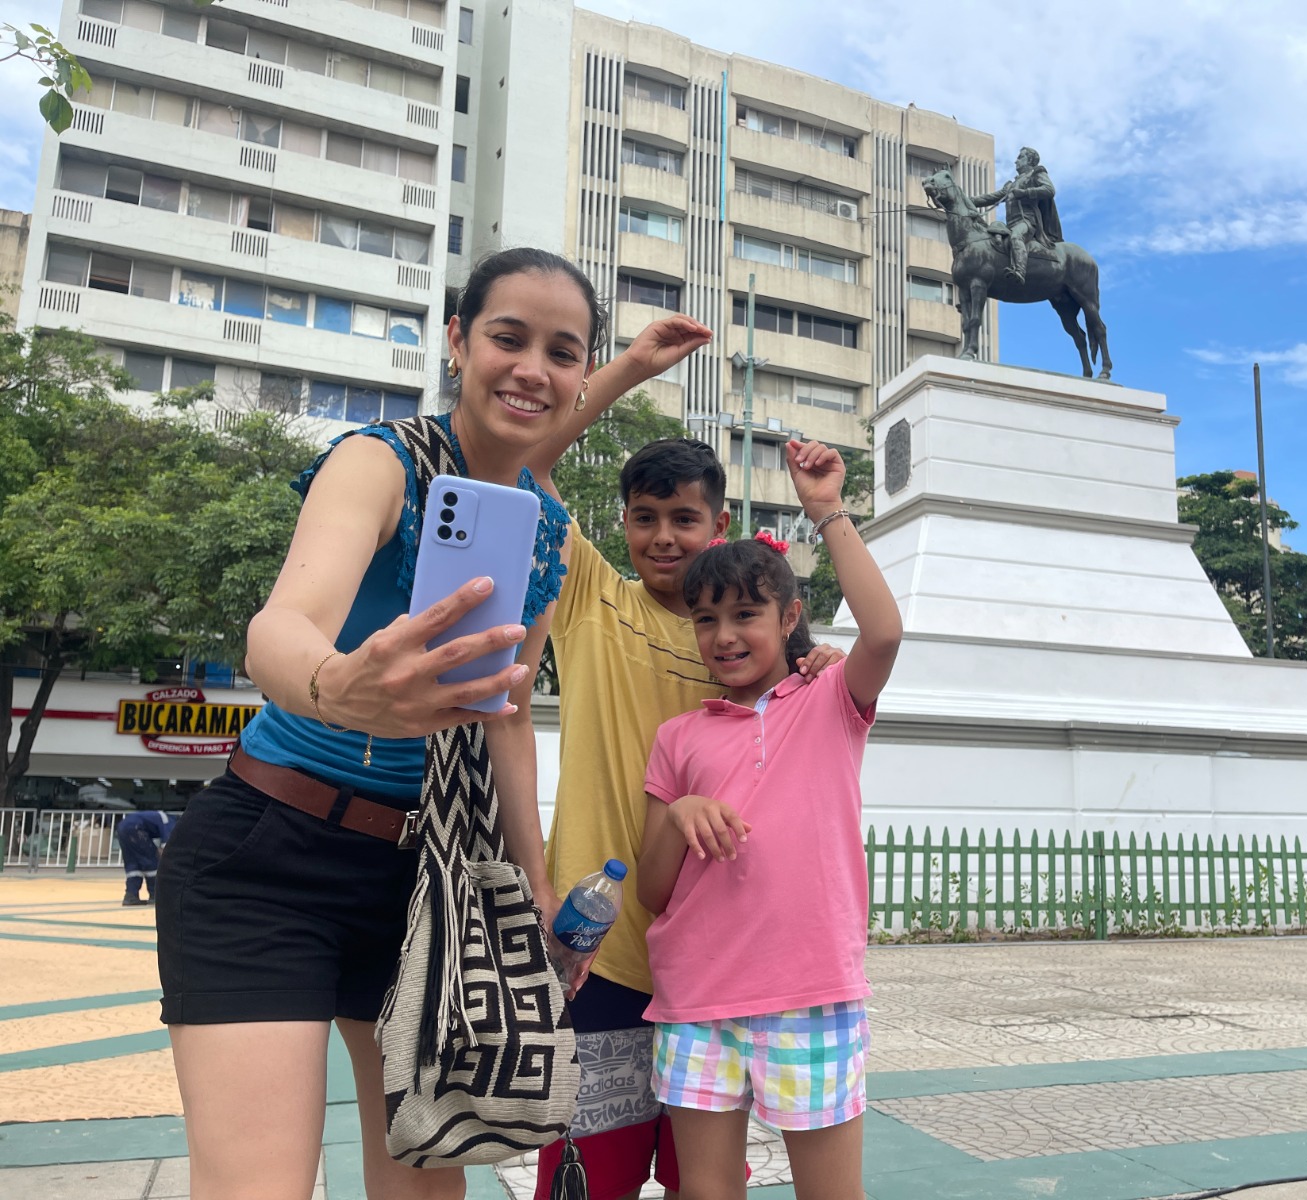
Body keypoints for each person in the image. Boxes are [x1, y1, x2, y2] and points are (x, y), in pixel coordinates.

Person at [152, 247, 698, 1200]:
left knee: (422, 1187)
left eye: (563, 352)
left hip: (429, 881)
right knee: (260, 1186)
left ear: (577, 374)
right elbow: (276, 627)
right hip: (267, 859)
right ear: (457, 340)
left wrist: (529, 896)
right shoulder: (381, 462)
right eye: (507, 337)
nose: (533, 367)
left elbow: (510, 718)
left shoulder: (545, 530)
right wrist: (335, 685)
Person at [525, 435, 840, 1199]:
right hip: (597, 953)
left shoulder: (745, 641)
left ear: (721, 523)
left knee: (703, 1181)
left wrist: (821, 661)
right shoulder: (592, 600)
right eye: (645, 517)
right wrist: (633, 366)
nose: (663, 536)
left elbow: (826, 702)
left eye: (685, 518)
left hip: (710, 968)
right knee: (585, 1176)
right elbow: (528, 463)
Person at [635, 440, 902, 1200]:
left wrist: (826, 511)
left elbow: (883, 633)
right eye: (706, 619)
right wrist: (679, 813)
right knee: (707, 1192)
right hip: (695, 1000)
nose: (723, 637)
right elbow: (653, 890)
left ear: (789, 616)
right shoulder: (678, 737)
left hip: (810, 991)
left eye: (746, 615)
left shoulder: (830, 702)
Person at [973, 146, 1063, 285]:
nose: (1016, 161)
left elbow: (1049, 190)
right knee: (992, 231)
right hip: (1010, 225)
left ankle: (1019, 271)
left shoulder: (1036, 174)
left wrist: (1025, 193)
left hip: (1027, 222)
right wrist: (967, 201)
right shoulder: (1011, 185)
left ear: (1030, 160)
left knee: (1016, 236)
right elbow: (990, 198)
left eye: (1020, 157)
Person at [115, 809, 177, 905]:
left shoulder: (156, 816)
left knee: (133, 863)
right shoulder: (169, 821)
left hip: (122, 827)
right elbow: (167, 846)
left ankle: (131, 895)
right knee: (151, 862)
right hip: (136, 828)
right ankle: (155, 894)